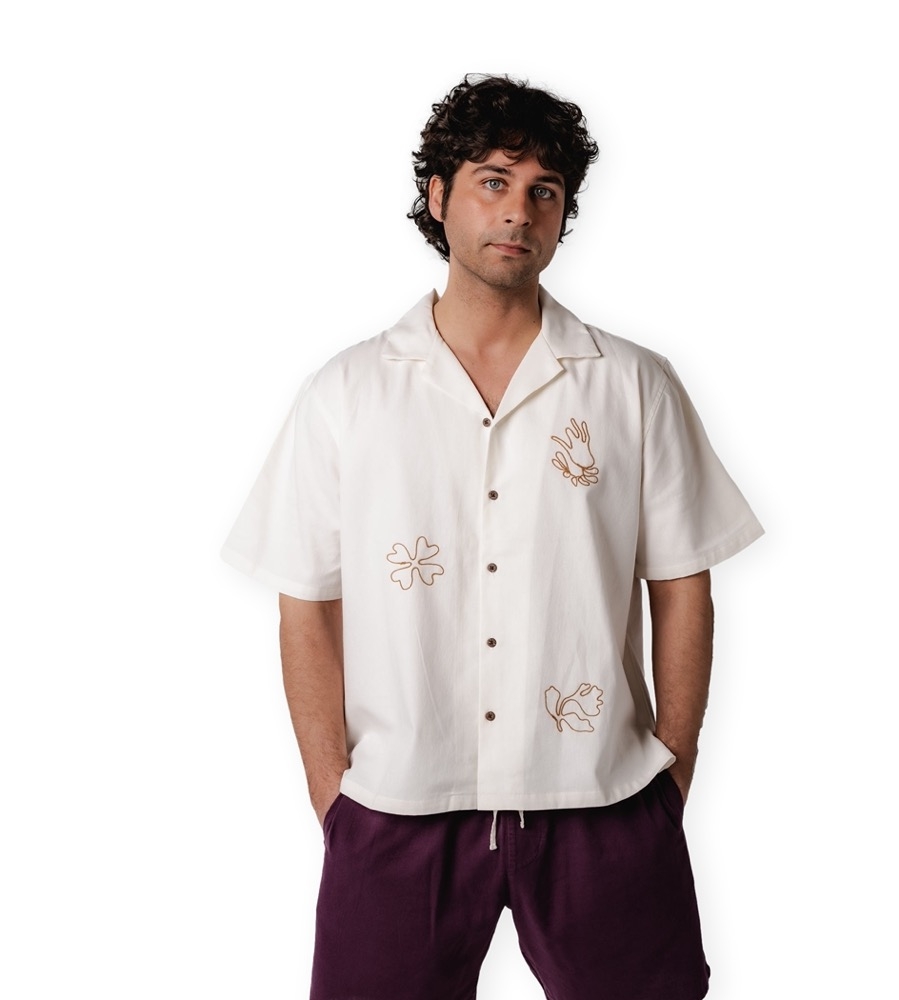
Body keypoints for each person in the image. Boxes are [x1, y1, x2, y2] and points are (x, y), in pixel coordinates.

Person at [222, 73, 763, 1000]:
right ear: (438, 196)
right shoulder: (348, 393)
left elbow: (683, 585)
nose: (519, 211)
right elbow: (305, 601)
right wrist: (331, 795)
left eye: (544, 191)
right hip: (398, 804)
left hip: (602, 797)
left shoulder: (632, 384)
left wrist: (670, 774)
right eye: (494, 181)